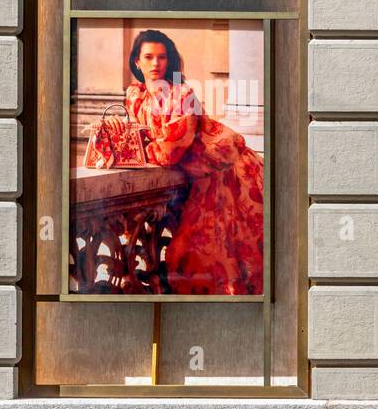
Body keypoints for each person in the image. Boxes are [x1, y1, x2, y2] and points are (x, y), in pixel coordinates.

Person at [101, 29, 264, 295]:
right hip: (201, 173)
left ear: (170, 61)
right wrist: (116, 125)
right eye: (149, 57)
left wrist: (140, 143)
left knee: (216, 254)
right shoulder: (134, 95)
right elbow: (138, 136)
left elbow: (169, 152)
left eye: (162, 57)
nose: (156, 64)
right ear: (136, 62)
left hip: (224, 169)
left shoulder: (182, 94)